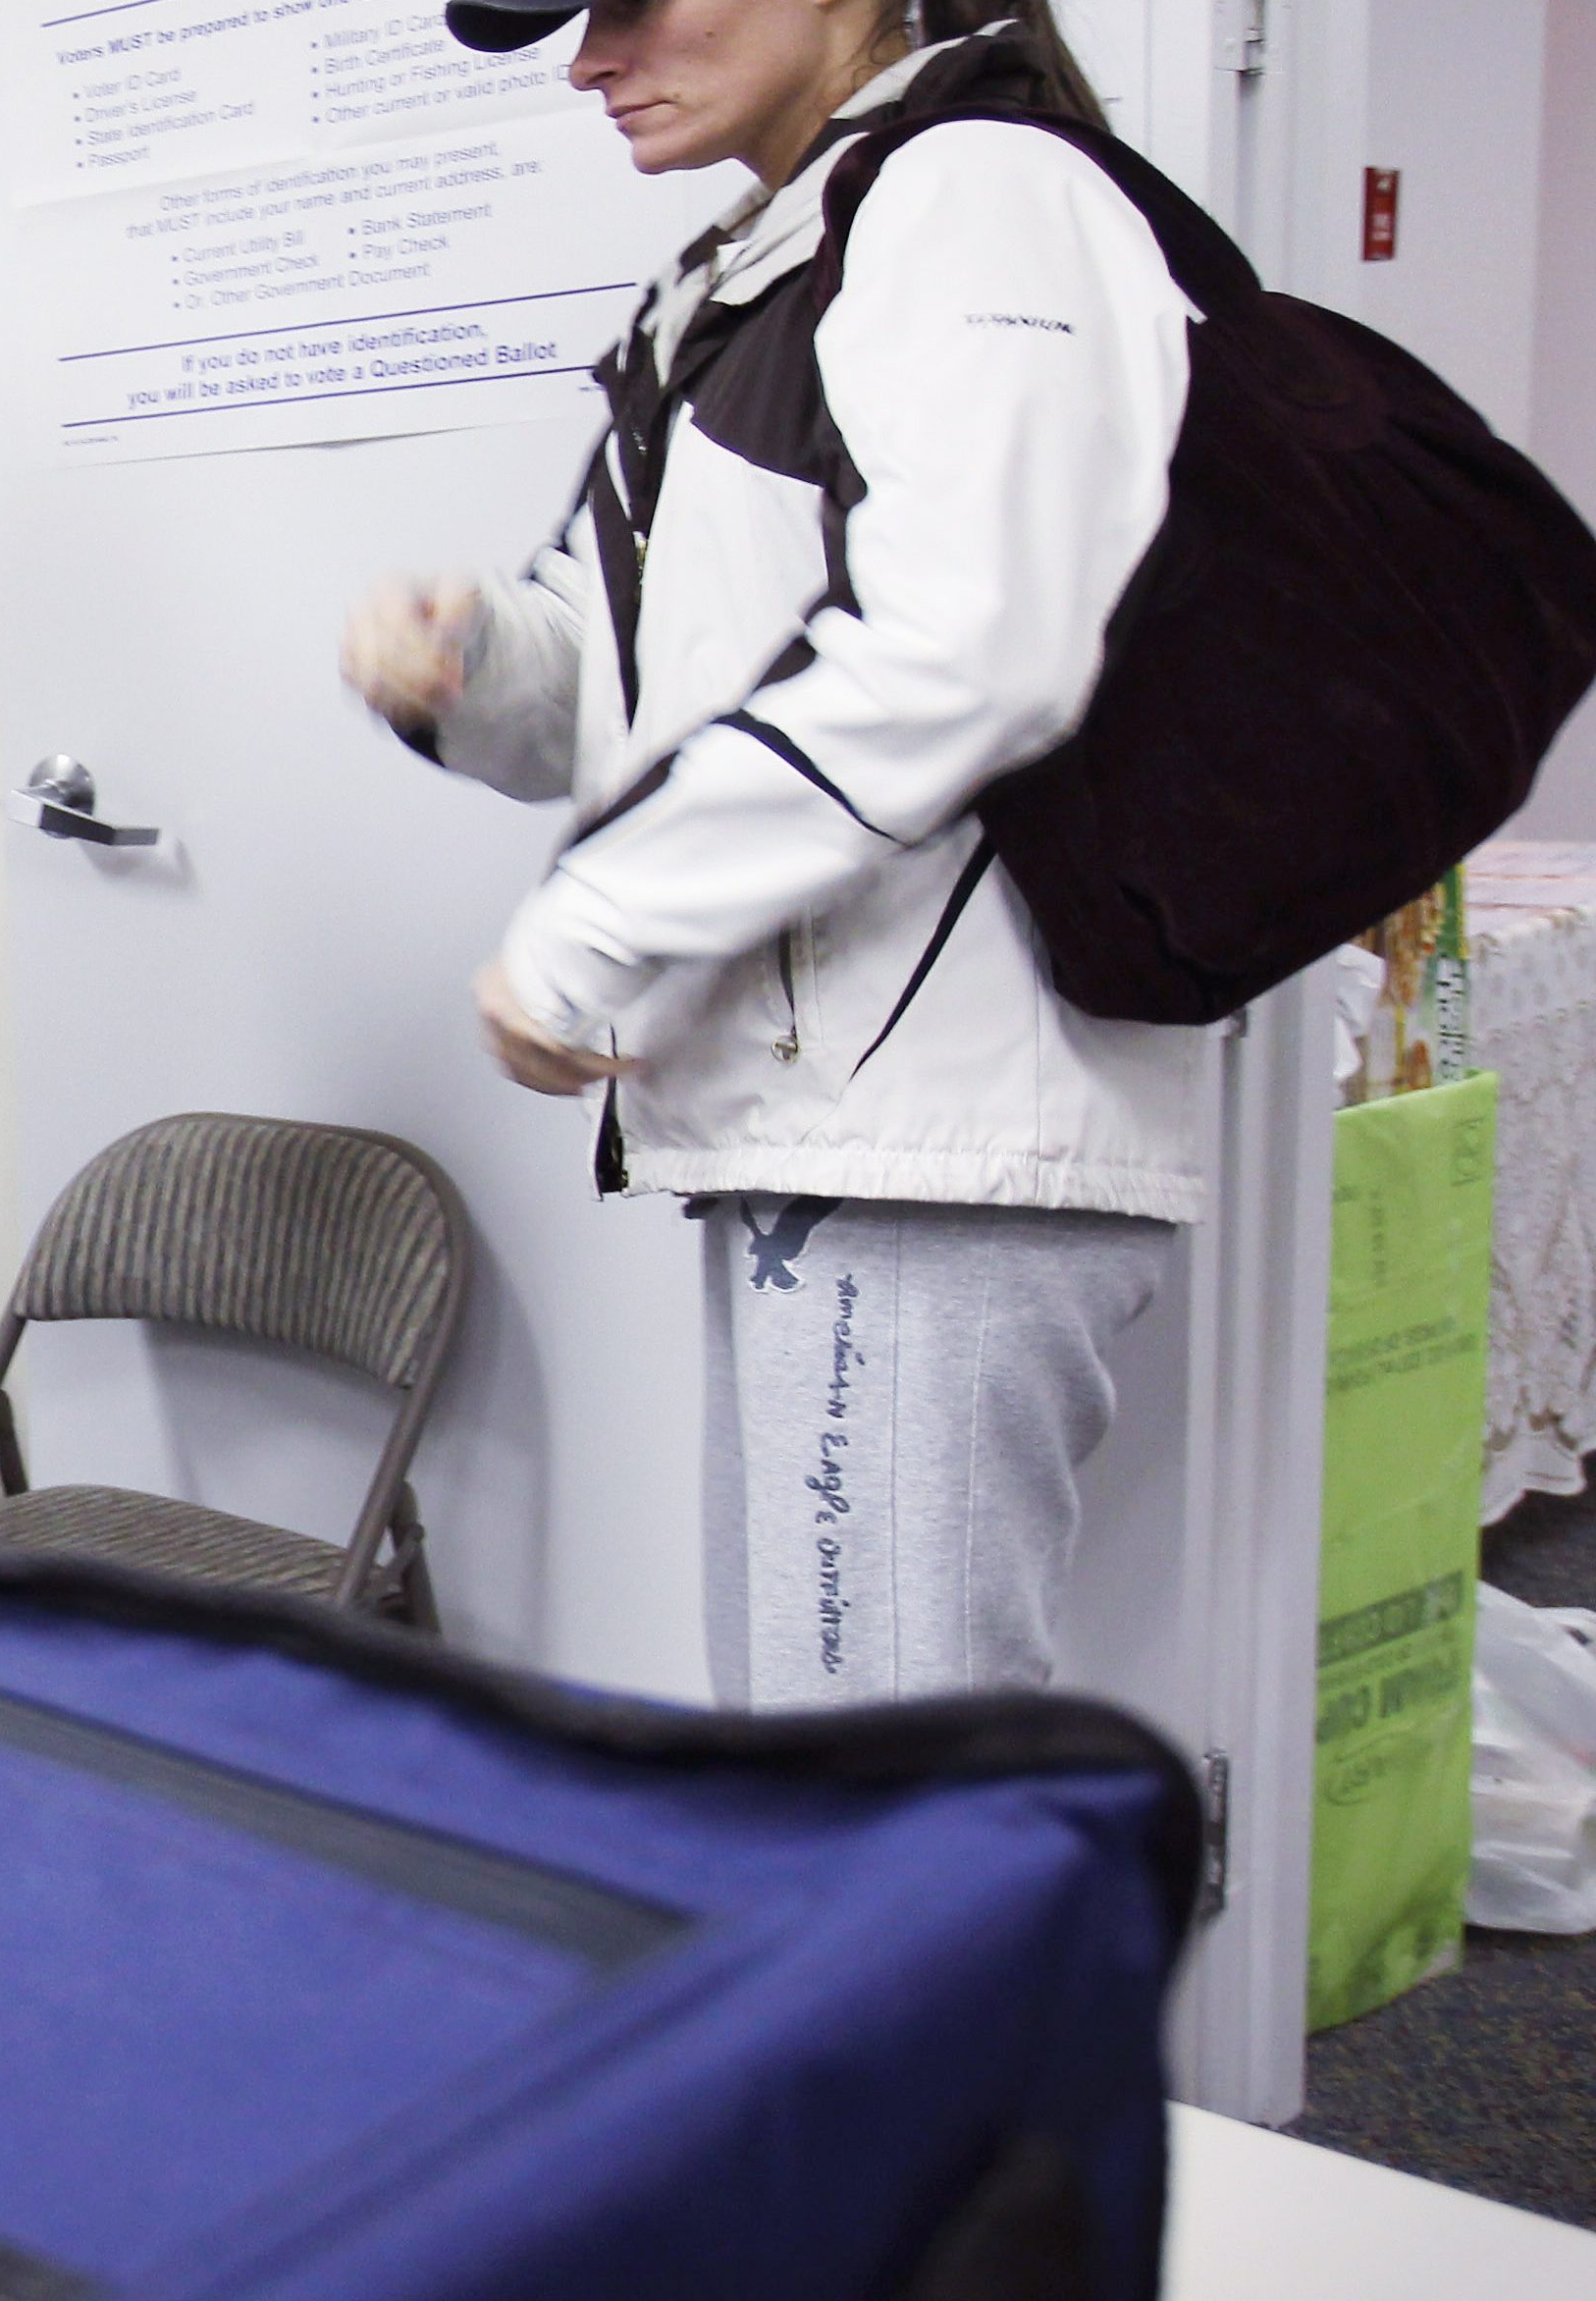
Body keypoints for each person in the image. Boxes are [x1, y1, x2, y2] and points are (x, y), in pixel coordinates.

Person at [344, 0, 1200, 1708]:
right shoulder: (758, 265)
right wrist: (473, 662)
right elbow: (634, 676)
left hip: (938, 1135)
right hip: (828, 1125)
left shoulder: (978, 196)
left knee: (880, 1799)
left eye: (630, 4)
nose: (589, 59)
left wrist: (594, 929)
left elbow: (977, 640)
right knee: (830, 1777)